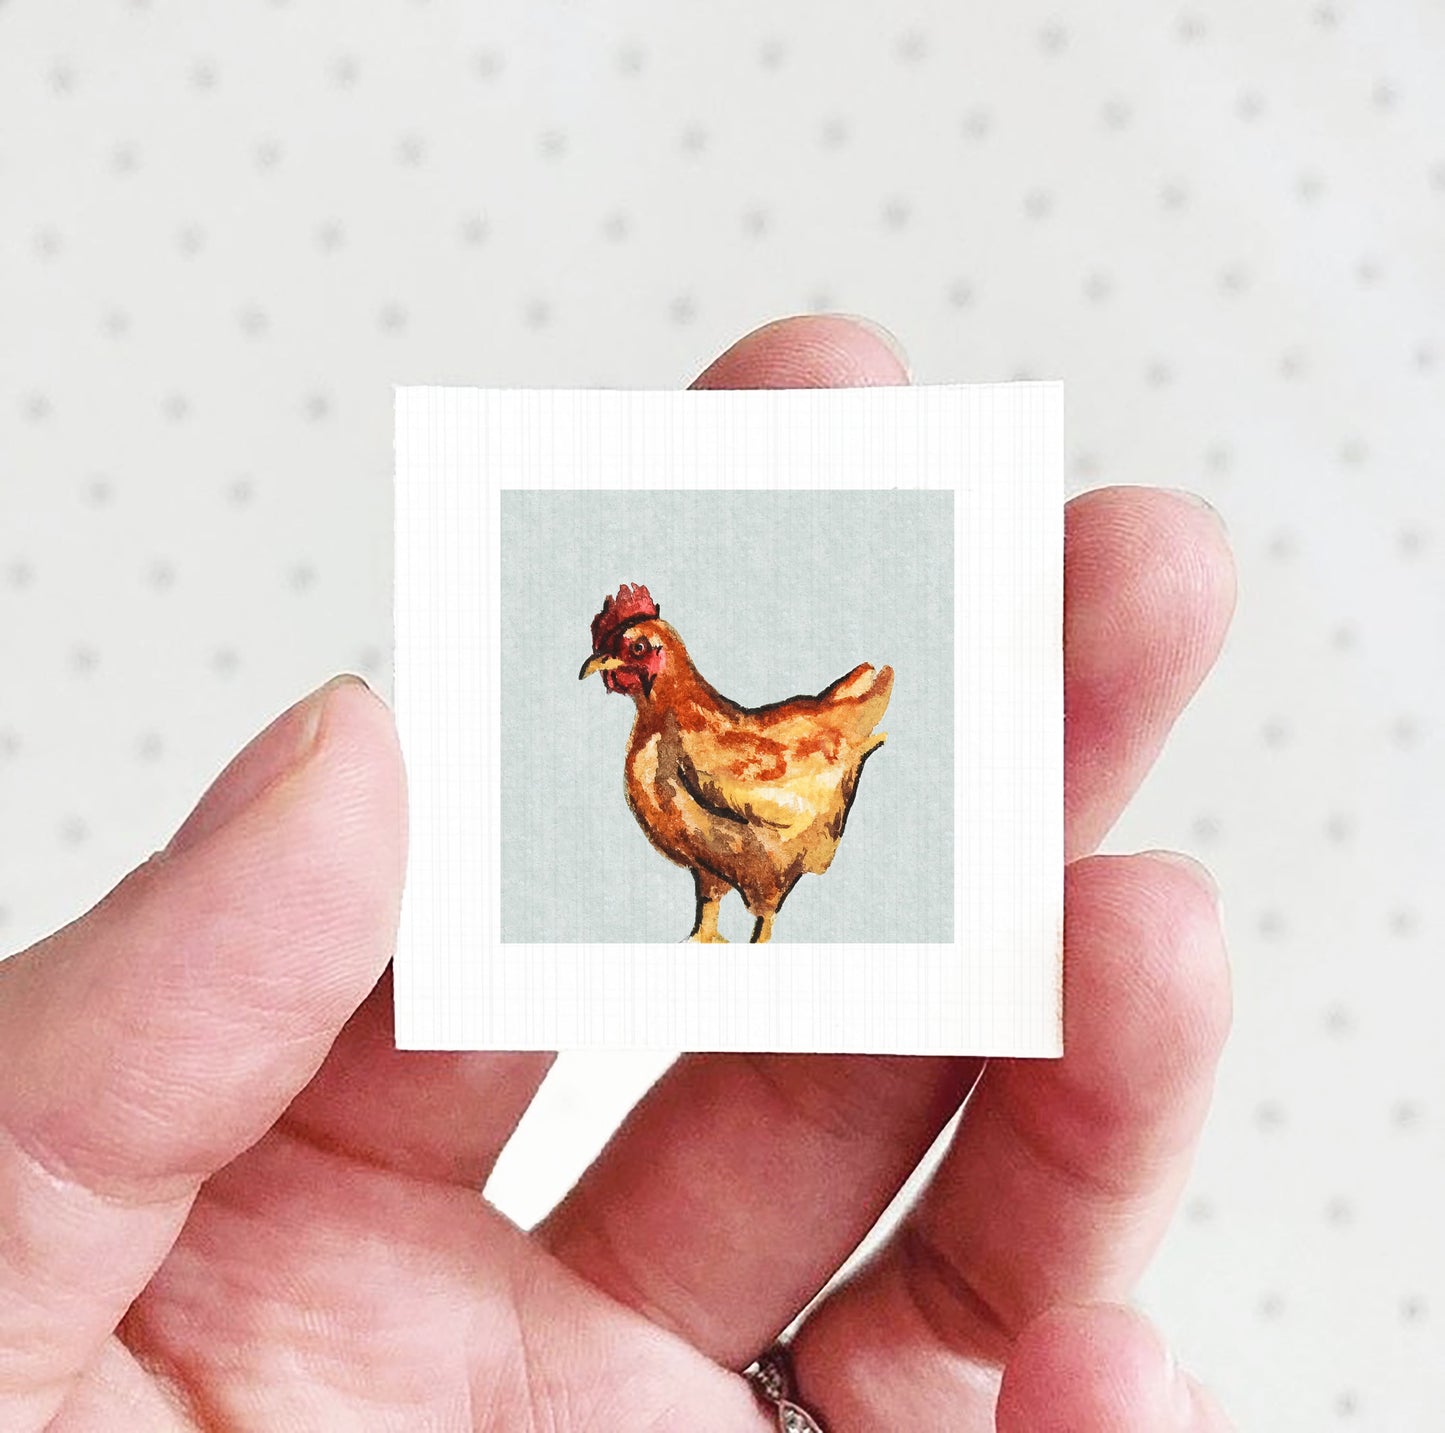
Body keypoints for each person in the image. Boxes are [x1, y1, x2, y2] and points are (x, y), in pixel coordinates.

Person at [0, 316, 1235, 1431]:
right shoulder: (654, 760)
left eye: (627, 651)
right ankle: (721, 921)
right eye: (611, 656)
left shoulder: (705, 752)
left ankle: (749, 928)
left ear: (659, 655)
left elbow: (788, 813)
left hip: (790, 796)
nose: (610, 670)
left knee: (1097, 920)